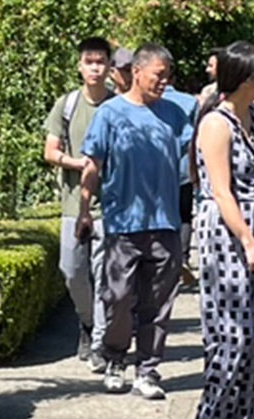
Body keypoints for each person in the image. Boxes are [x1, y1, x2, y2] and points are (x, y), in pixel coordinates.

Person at [79, 44, 195, 398]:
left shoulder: (175, 114)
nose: (163, 82)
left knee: (158, 303)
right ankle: (115, 360)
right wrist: (85, 210)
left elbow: (192, 162)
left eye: (167, 76)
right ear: (138, 72)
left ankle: (148, 368)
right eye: (158, 75)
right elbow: (92, 165)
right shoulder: (110, 114)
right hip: (122, 224)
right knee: (117, 298)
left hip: (164, 224)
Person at [192, 42, 254, 419]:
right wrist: (247, 239)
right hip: (226, 235)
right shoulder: (216, 124)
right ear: (246, 79)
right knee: (231, 334)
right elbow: (221, 190)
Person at [43, 37, 118, 370]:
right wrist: (80, 164)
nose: (95, 68)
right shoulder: (67, 105)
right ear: (80, 65)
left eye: (101, 61)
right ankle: (87, 322)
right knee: (72, 272)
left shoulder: (119, 106)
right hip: (74, 205)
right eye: (89, 61)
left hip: (112, 208)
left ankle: (99, 342)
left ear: (109, 66)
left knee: (104, 276)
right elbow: (50, 152)